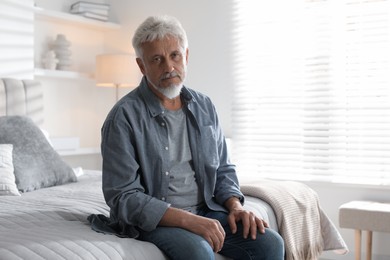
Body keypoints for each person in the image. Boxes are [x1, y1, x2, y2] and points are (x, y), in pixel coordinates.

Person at [98, 15, 284, 260]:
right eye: (157, 59)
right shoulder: (123, 118)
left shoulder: (204, 105)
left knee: (270, 244)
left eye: (175, 55)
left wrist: (236, 207)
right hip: (155, 222)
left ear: (186, 56)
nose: (169, 67)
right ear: (142, 66)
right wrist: (189, 221)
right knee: (198, 251)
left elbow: (223, 170)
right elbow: (123, 197)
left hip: (206, 209)